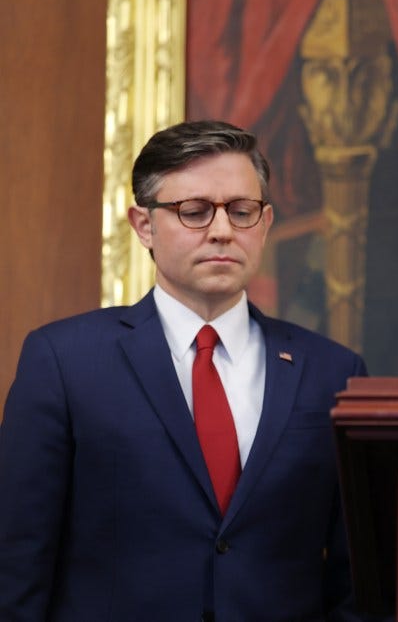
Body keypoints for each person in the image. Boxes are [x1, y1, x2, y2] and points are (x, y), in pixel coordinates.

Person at [0, 121, 368, 620]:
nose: (221, 230)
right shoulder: (65, 361)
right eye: (194, 212)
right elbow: (17, 560)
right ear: (143, 225)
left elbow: (359, 579)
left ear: (264, 223)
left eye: (242, 212)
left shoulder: (333, 372)